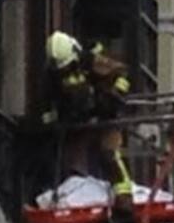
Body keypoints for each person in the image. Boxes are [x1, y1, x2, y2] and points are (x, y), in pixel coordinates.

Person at [43, 31, 135, 213]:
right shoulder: (54, 74)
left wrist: (115, 95)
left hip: (106, 112)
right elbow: (50, 102)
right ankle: (70, 198)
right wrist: (53, 122)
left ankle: (124, 197)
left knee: (108, 152)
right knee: (70, 159)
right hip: (80, 118)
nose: (66, 72)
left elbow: (123, 73)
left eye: (68, 67)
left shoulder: (92, 59)